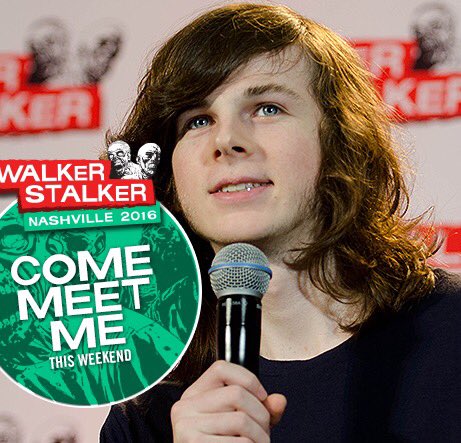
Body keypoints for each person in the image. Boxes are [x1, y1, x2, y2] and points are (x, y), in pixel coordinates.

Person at [100, 4, 461, 442]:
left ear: (340, 141)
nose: (225, 140)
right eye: (198, 120)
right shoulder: (148, 410)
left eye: (266, 108)